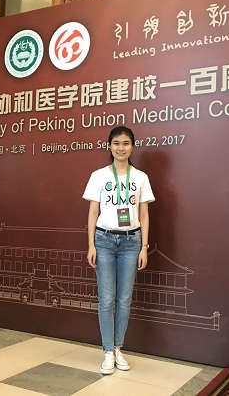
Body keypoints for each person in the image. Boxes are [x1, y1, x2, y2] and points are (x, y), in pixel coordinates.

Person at [82, 126, 155, 375]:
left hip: (131, 242)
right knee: (106, 299)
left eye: (125, 143)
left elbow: (144, 215)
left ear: (132, 146)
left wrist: (144, 247)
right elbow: (93, 212)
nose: (120, 148)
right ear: (109, 146)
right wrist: (91, 245)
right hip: (103, 240)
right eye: (116, 143)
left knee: (124, 299)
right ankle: (107, 351)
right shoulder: (99, 176)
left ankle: (118, 348)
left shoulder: (140, 178)